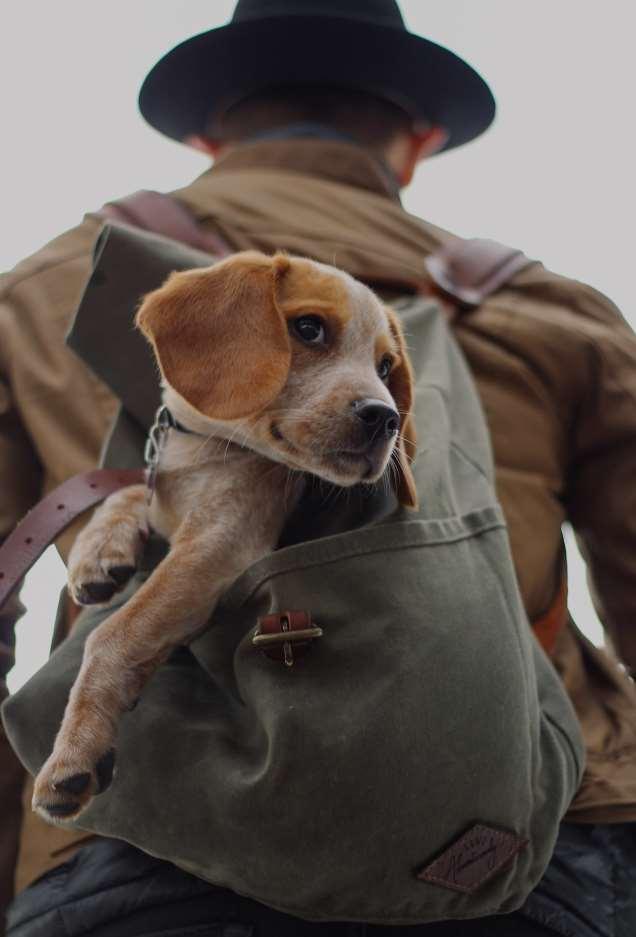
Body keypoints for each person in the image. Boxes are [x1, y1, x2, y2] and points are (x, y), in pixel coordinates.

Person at [1, 1, 635, 935]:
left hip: (137, 846)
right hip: (518, 854)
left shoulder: (52, 286)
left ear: (208, 134)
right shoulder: (555, 312)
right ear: (416, 144)